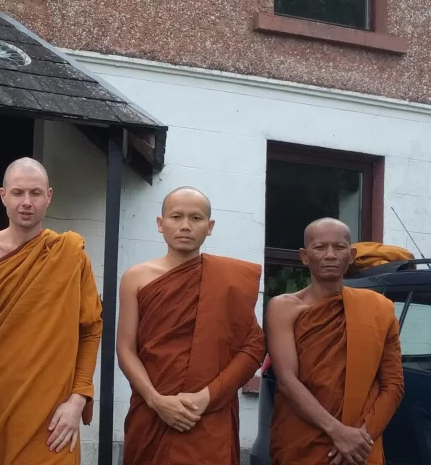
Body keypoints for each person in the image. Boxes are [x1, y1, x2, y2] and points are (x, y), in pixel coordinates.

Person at [0, 157, 103, 465]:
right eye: (18, 193)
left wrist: (77, 399)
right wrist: (4, 364)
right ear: (3, 196)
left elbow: (90, 329)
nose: (26, 202)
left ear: (48, 197)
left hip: (53, 412)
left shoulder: (70, 255)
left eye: (35, 193)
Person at [117, 186, 265, 465]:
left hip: (209, 414)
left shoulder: (228, 280)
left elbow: (253, 346)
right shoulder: (136, 278)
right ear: (160, 224)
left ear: (209, 227)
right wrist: (156, 400)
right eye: (176, 217)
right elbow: (125, 349)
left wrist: (207, 397)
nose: (185, 226)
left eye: (196, 219)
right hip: (152, 412)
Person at [267, 217, 404, 465]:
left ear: (351, 255)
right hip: (302, 439)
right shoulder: (284, 308)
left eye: (339, 247)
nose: (330, 254)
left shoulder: (379, 308)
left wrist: (361, 438)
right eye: (319, 247)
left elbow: (393, 385)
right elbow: (287, 380)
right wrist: (337, 431)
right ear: (304, 256)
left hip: (361, 444)